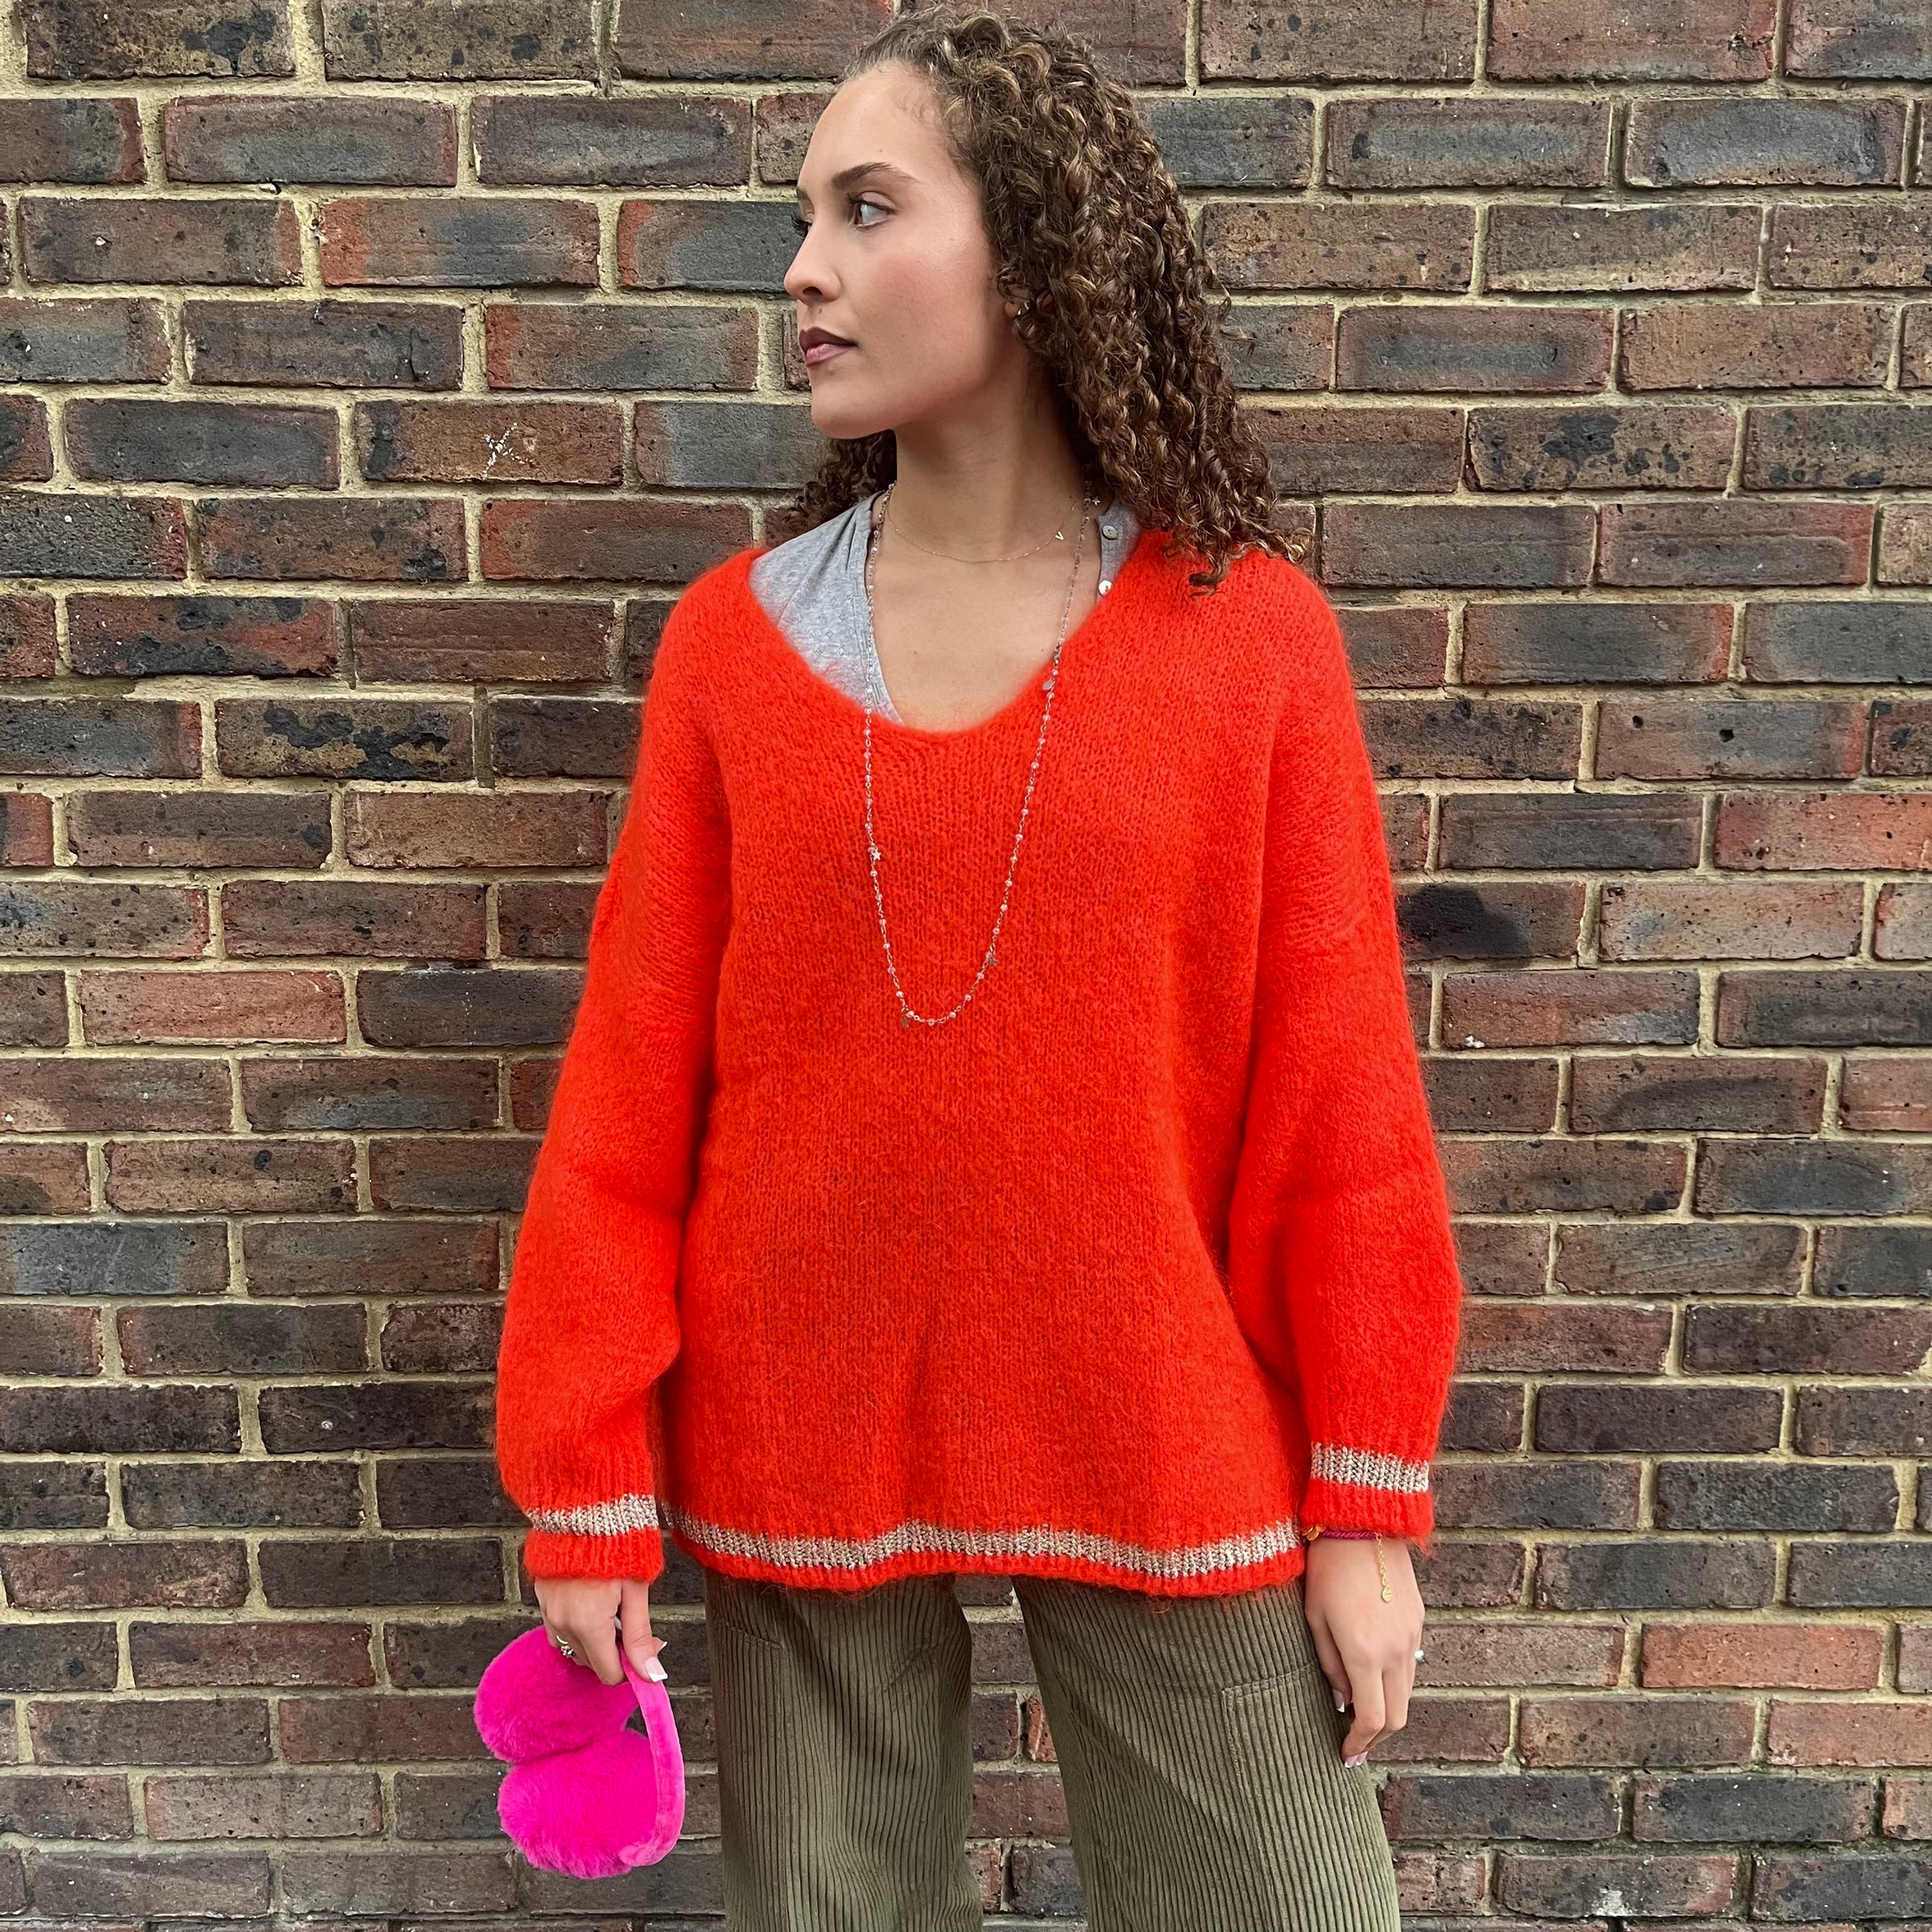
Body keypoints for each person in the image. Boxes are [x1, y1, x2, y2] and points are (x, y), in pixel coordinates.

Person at [492, 7, 1465, 1926]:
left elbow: (1342, 1103)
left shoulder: (1246, 640)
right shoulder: (732, 650)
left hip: (1162, 1413)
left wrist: (1365, 1509)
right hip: (797, 1417)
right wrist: (583, 1478)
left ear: (1031, 257)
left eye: (867, 210)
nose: (805, 267)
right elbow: (627, 1097)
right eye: (803, 217)